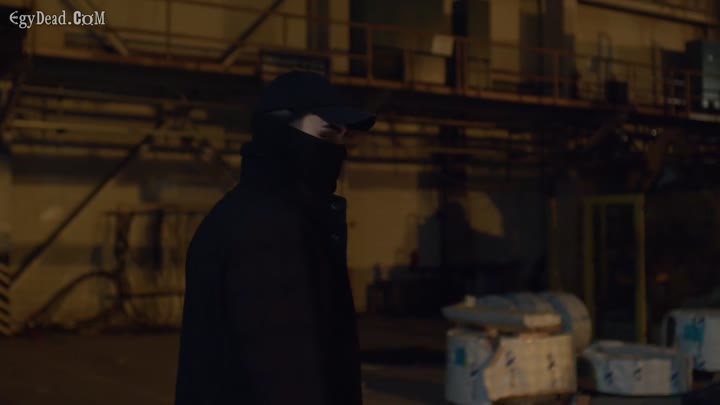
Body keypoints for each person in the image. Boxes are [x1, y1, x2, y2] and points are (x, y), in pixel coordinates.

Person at [174, 70, 375, 405]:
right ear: (279, 131)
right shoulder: (269, 229)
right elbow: (286, 373)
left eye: (343, 139)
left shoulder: (260, 214)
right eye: (327, 135)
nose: (338, 152)